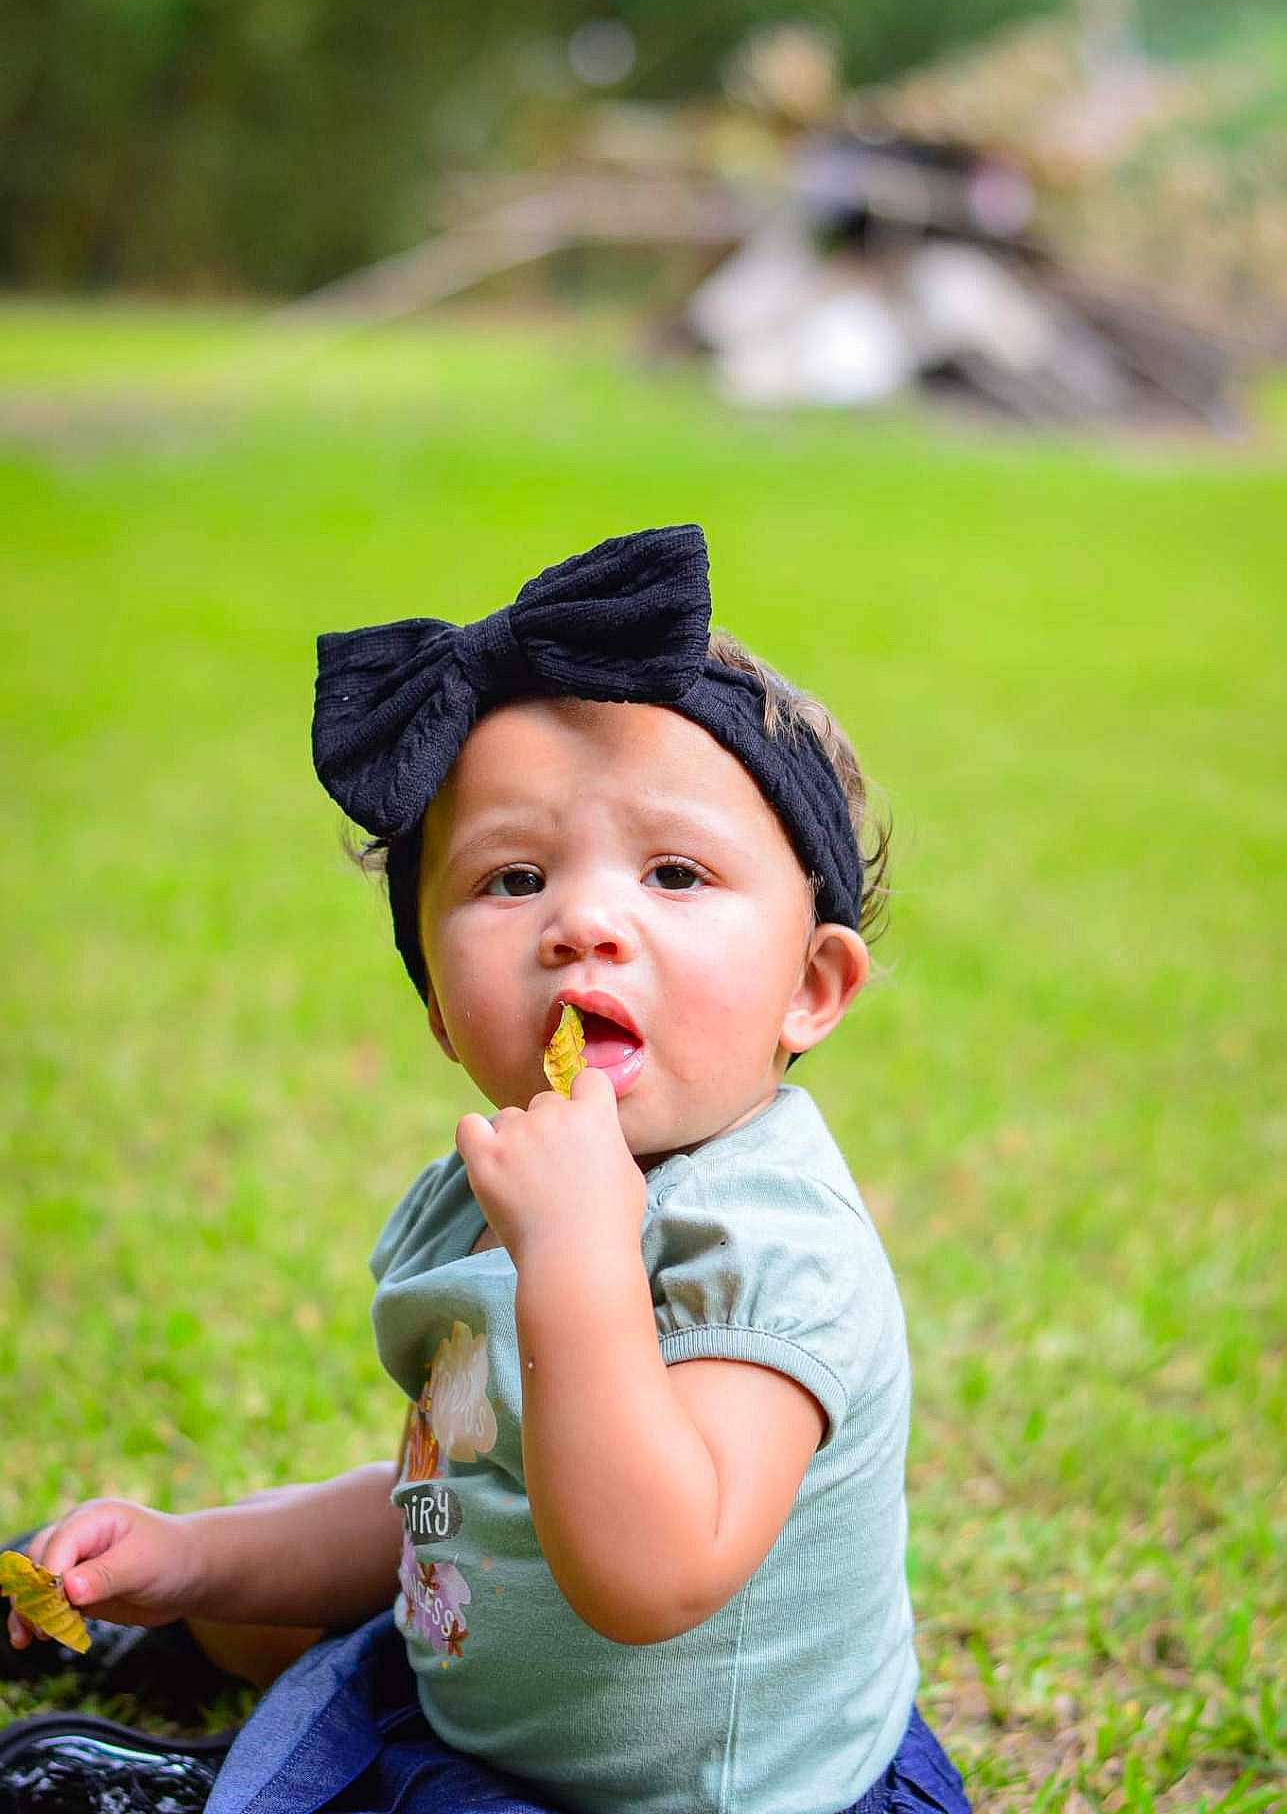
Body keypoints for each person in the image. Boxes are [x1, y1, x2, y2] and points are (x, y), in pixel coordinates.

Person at [4, 525, 972, 1814]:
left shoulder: (769, 1245)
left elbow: (654, 1573)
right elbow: (445, 1513)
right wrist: (199, 1556)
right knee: (311, 1624)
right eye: (513, 878)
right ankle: (172, 1626)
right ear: (441, 1012)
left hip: (688, 1795)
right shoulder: (492, 1195)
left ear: (812, 985)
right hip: (493, 1689)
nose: (583, 922)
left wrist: (577, 1258)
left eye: (675, 873)